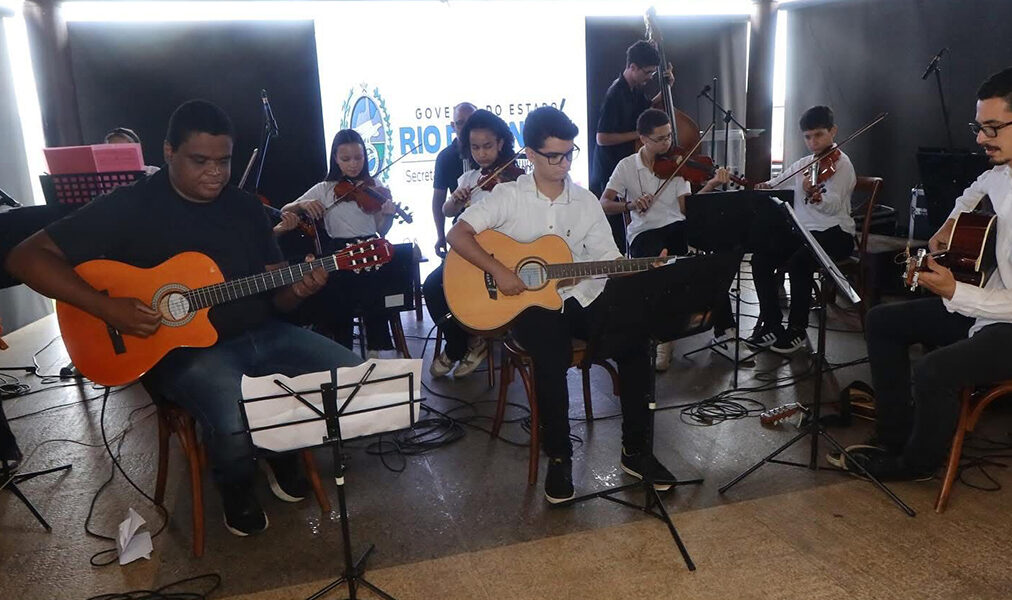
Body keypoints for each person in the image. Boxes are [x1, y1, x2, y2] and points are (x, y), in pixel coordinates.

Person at [5, 100, 362, 536]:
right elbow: (25, 258)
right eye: (200, 161)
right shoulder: (128, 205)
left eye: (224, 161)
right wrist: (106, 307)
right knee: (232, 418)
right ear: (169, 152)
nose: (215, 173)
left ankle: (279, 449)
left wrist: (299, 289)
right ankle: (236, 485)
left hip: (263, 332)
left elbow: (279, 302)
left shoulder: (247, 209)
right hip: (182, 350)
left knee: (355, 378)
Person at [447, 106, 675, 503]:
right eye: (554, 156)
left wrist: (640, 268)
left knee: (636, 341)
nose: (564, 164)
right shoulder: (508, 196)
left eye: (569, 154)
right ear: (530, 155)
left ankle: (635, 450)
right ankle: (559, 456)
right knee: (551, 355)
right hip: (527, 305)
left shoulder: (584, 201)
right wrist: (499, 270)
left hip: (579, 296)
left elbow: (607, 258)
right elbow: (458, 234)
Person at [833, 67, 1012, 480]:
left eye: (992, 128)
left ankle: (915, 466)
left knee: (934, 370)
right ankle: (894, 437)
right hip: (987, 310)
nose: (980, 139)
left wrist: (955, 292)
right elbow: (975, 190)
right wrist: (950, 223)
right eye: (979, 127)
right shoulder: (1000, 173)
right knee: (882, 322)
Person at [600, 108, 733, 370]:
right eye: (660, 139)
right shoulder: (627, 166)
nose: (668, 143)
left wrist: (710, 185)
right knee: (659, 264)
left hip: (676, 226)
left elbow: (686, 209)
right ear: (643, 139)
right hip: (643, 232)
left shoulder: (678, 164)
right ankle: (663, 338)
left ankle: (725, 329)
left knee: (710, 263)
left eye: (670, 136)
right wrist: (629, 205)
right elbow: (604, 203)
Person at [746, 106, 856, 354]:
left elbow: (833, 205)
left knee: (799, 263)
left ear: (833, 131)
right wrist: (765, 186)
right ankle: (772, 325)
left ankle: (797, 328)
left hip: (836, 233)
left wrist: (815, 195)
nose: (813, 142)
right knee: (761, 259)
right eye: (807, 137)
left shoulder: (843, 165)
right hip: (805, 232)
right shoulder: (805, 164)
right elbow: (777, 182)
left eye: (818, 135)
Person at [282, 129, 399, 356]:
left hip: (370, 248)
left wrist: (388, 215)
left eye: (358, 158)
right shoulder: (324, 189)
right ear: (335, 158)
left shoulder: (374, 186)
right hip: (339, 252)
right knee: (337, 294)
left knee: (377, 283)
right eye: (346, 159)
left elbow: (381, 230)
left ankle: (376, 350)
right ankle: (342, 350)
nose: (353, 164)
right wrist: (303, 204)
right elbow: (286, 209)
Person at [425, 109, 520, 378]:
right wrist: (456, 200)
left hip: (500, 254)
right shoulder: (469, 179)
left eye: (487, 146)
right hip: (466, 252)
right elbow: (446, 211)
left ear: (501, 143)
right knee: (432, 287)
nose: (482, 154)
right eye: (475, 148)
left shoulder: (515, 178)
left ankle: (476, 336)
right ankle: (461, 341)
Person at [591, 40, 673, 253]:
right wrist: (639, 134)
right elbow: (601, 138)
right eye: (647, 72)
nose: (650, 77)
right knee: (616, 232)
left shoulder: (634, 89)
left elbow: (648, 107)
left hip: (623, 160)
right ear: (633, 67)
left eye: (652, 73)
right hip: (609, 166)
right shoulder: (615, 94)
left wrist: (667, 88)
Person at [432, 102, 477, 258]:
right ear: (453, 126)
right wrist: (440, 235)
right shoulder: (445, 157)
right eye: (460, 123)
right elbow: (439, 201)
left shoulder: (493, 154)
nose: (466, 128)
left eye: (471, 122)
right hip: (461, 231)